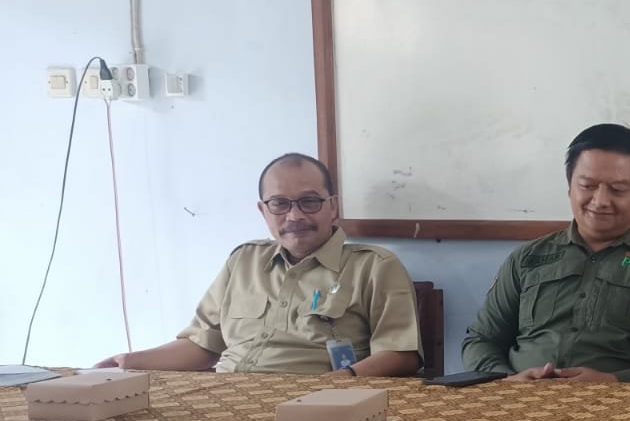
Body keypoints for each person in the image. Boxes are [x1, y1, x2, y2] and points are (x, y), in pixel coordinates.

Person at [95, 153, 423, 376]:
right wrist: (130, 361)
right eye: (279, 204)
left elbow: (401, 354)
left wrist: (340, 383)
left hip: (316, 404)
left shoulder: (374, 267)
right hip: (226, 399)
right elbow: (202, 345)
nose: (295, 215)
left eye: (310, 202)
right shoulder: (243, 261)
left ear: (333, 207)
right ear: (263, 210)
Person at [462, 123, 630, 383]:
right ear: (570, 185)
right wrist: (507, 381)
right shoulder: (526, 258)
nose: (600, 201)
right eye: (587, 185)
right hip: (521, 400)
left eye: (618, 189)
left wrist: (614, 381)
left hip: (624, 403)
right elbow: (481, 340)